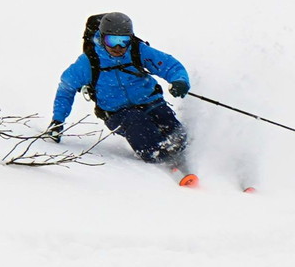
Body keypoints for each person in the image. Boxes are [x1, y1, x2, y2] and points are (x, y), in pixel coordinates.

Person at [49, 11, 191, 165]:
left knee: (173, 128)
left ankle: (179, 150)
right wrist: (58, 120)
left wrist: (179, 81)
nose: (118, 47)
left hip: (150, 101)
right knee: (137, 122)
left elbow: (170, 66)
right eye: (112, 40)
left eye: (123, 41)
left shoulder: (138, 51)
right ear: (103, 38)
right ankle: (157, 155)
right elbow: (66, 88)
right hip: (117, 112)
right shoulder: (89, 61)